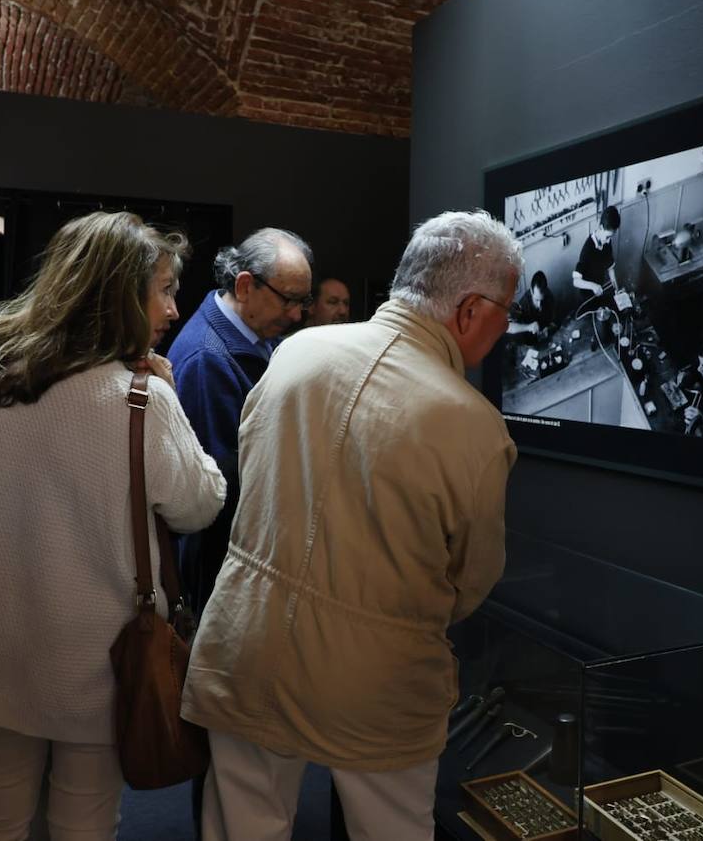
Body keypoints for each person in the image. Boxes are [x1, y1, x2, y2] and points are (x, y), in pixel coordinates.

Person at [182, 209, 521, 841]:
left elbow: (249, 481)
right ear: (471, 310)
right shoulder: (474, 427)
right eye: (507, 312)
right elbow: (470, 579)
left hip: (247, 641)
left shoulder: (294, 353)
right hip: (380, 676)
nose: (505, 329)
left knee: (241, 825)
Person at [0, 211, 226, 839]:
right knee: (83, 819)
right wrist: (171, 401)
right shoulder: (141, 397)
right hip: (99, 657)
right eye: (164, 289)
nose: (173, 309)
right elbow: (201, 504)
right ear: (118, 294)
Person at [166, 227, 314, 615]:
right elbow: (220, 496)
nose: (297, 315)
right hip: (222, 575)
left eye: (303, 301)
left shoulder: (253, 333)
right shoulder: (208, 361)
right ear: (245, 285)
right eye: (289, 301)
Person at [572, 204, 620, 300]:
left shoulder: (607, 242)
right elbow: (576, 281)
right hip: (587, 295)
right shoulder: (588, 249)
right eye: (607, 236)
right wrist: (593, 286)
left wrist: (617, 290)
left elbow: (610, 268)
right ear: (601, 228)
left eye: (610, 237)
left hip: (600, 289)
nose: (608, 240)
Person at [507, 270, 555, 338]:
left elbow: (554, 321)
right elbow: (508, 327)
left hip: (546, 338)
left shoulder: (549, 296)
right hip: (529, 341)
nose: (539, 305)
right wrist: (529, 327)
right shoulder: (523, 304)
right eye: (536, 300)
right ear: (531, 291)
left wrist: (548, 328)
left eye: (542, 300)